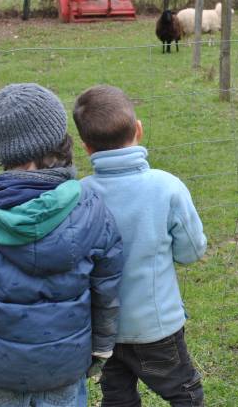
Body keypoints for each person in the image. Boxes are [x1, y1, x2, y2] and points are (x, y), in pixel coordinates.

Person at [0, 83, 123, 407]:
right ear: (57, 140)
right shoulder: (93, 208)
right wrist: (102, 346)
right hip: (65, 368)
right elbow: (105, 290)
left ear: (3, 148)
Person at [73, 85, 207, 407]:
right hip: (156, 325)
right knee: (184, 392)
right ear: (139, 130)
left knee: (117, 396)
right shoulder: (167, 187)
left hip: (103, 327)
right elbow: (192, 251)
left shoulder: (79, 195)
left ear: (87, 147)